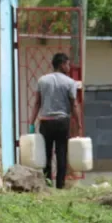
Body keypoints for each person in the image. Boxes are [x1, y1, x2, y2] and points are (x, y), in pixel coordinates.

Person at [28, 52, 80, 189]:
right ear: (62, 64)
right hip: (62, 122)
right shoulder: (70, 83)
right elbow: (74, 105)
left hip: (46, 122)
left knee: (46, 153)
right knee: (61, 153)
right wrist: (79, 123)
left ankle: (47, 184)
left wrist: (31, 122)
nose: (69, 67)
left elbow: (37, 103)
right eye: (68, 64)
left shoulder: (42, 80)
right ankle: (60, 186)